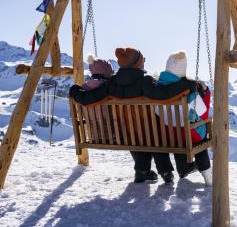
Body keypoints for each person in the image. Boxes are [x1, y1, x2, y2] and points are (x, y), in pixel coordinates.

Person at [70, 47, 198, 184]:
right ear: (137, 64)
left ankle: (141, 171)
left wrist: (74, 90)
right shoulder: (145, 82)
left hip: (126, 136)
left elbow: (88, 98)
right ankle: (165, 171)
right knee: (154, 129)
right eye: (142, 61)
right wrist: (188, 84)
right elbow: (164, 94)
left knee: (135, 131)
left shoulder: (111, 84)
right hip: (152, 135)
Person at [156, 50, 212, 186]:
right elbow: (203, 113)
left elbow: (157, 113)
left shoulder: (156, 88)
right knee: (199, 134)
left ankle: (183, 168)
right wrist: (206, 94)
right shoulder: (188, 90)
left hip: (167, 134)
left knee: (179, 132)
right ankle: (208, 177)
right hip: (187, 135)